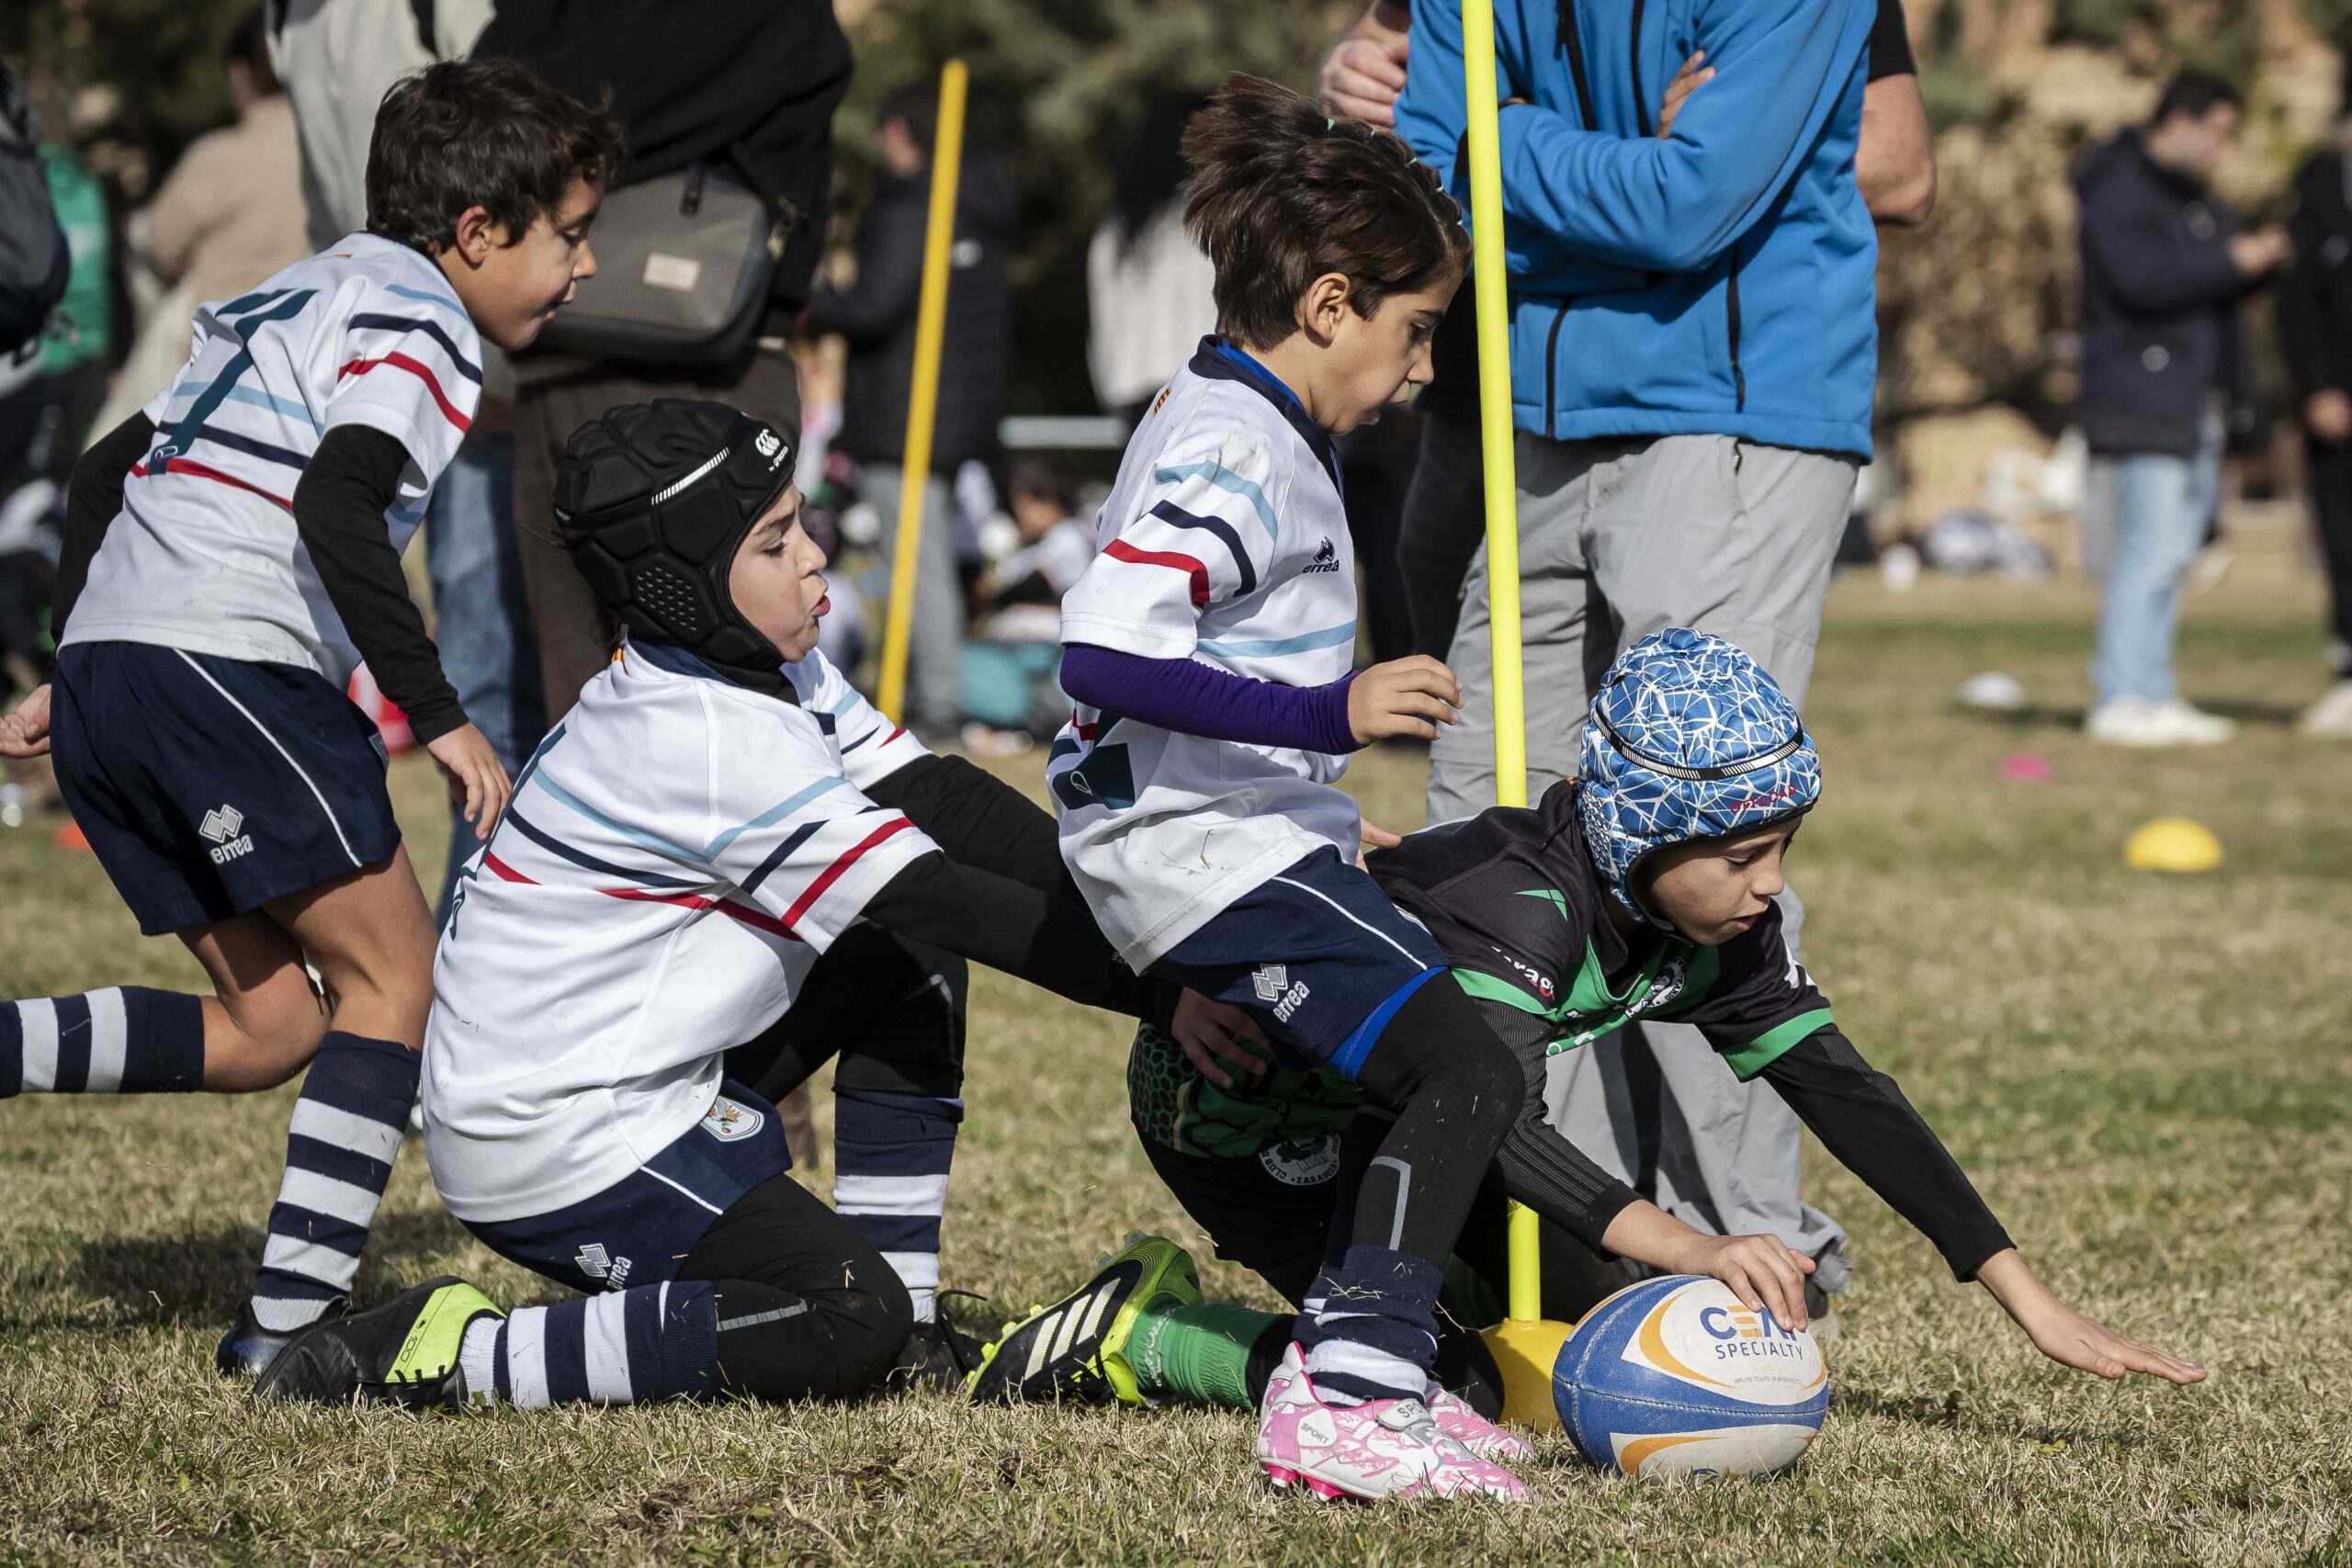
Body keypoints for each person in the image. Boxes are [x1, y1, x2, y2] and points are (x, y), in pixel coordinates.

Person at [977, 631, 2208, 1421]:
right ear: (1641, 835)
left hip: (1412, 1136)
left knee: (1593, 1343)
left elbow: (1848, 1090)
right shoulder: (1519, 905)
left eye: (1782, 849)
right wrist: (1692, 1238)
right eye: (1745, 852)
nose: (1770, 882)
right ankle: (1147, 1331)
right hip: (1244, 1120)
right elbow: (1491, 1122)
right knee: (1441, 1384)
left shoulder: (1712, 923)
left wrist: (2025, 1294)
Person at [250, 400, 1188, 1409]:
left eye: (803, 524)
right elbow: (937, 889)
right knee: (838, 1320)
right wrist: (1173, 989)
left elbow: (937, 799)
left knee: (906, 963)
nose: (816, 556)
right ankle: (450, 1353)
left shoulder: (764, 670)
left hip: (641, 1084)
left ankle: (907, 1324)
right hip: (554, 1141)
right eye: (776, 540)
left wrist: (1154, 911)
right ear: (681, 583)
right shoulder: (701, 739)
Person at [0, 61, 621, 1375]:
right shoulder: (427, 322)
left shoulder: (302, 284)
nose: (580, 266)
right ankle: (287, 1332)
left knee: (272, 1027)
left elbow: (115, 461)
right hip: (231, 655)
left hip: (128, 657)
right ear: (476, 233)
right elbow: (343, 504)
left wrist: (80, 648)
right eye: (568, 234)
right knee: (397, 977)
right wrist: (440, 713)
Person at [1042, 75, 1546, 1504]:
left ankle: (1369, 1351)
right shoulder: (1230, 444)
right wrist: (1334, 710)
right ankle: (1356, 1382)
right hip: (1200, 853)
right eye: (1417, 332)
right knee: (1464, 1060)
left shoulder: (1254, 423)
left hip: (1231, 834)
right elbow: (1107, 650)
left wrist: (1316, 804)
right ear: (1331, 304)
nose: (1425, 369)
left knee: (1432, 1047)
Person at [1322, 0, 1934, 662]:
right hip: (1500, 390)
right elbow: (1425, 154)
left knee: (1675, 741)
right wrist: (1344, 77)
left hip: (1696, 390)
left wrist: (1507, 135)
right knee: (1467, 720)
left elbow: (1893, 172)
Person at [474, 0, 855, 728]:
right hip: (713, 352)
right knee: (738, 707)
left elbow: (492, 97)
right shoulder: (782, 24)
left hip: (585, 350)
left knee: (590, 709)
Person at [262, 0, 540, 910]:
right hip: (365, 367)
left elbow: (500, 163)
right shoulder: (291, 17)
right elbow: (327, 195)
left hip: (481, 384)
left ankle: (487, 932)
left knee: (487, 670)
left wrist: (501, 366)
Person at [2075, 71, 2288, 748]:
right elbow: (2143, 282)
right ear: (2184, 120)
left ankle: (2153, 692)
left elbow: (2212, 294)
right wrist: (2233, 260)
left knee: (2174, 552)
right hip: (2139, 392)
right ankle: (2119, 695)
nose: (2226, 148)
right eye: (2222, 131)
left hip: (2192, 396)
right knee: (2149, 546)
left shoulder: (2197, 200)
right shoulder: (2117, 186)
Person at [804, 84, 1015, 742]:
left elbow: (872, 306)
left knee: (916, 566)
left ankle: (937, 704)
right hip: (953, 416)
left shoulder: (915, 207)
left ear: (900, 132)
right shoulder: (974, 206)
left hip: (906, 419)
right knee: (923, 561)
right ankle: (937, 694)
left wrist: (807, 301)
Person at [144, 11, 309, 314]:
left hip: (227, 343)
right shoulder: (326, 149)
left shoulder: (217, 157)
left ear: (239, 73)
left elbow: (161, 246)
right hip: (322, 338)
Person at [2277, 87, 2352, 739]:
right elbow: (2296, 301)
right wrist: (2319, 385)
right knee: (2344, 534)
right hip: (2340, 403)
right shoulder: (2322, 187)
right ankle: (2349, 672)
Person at [1087, 90, 1217, 428]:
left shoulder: (1116, 230)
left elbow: (1102, 328)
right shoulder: (1208, 220)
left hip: (1133, 398)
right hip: (1201, 392)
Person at [959, 458, 1091, 743]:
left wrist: (990, 595)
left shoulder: (1069, 535)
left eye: (1024, 504)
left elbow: (1030, 585)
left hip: (1051, 650)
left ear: (1043, 500)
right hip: (1020, 652)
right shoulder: (1035, 542)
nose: (1021, 514)